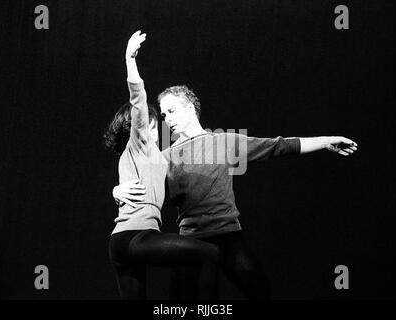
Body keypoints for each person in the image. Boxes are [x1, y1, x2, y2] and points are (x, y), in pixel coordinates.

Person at [116, 83, 358, 300]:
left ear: (190, 108)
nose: (167, 119)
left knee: (260, 291)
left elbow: (279, 146)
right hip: (190, 238)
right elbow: (138, 177)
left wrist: (327, 140)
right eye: (164, 113)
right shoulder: (164, 157)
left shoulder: (226, 142)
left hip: (228, 237)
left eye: (172, 111)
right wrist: (117, 190)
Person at [103, 31, 220, 300]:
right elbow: (138, 102)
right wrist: (130, 61)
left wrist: (115, 191)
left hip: (120, 242)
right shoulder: (141, 145)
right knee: (209, 254)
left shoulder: (146, 157)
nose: (159, 129)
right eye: (156, 124)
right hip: (135, 236)